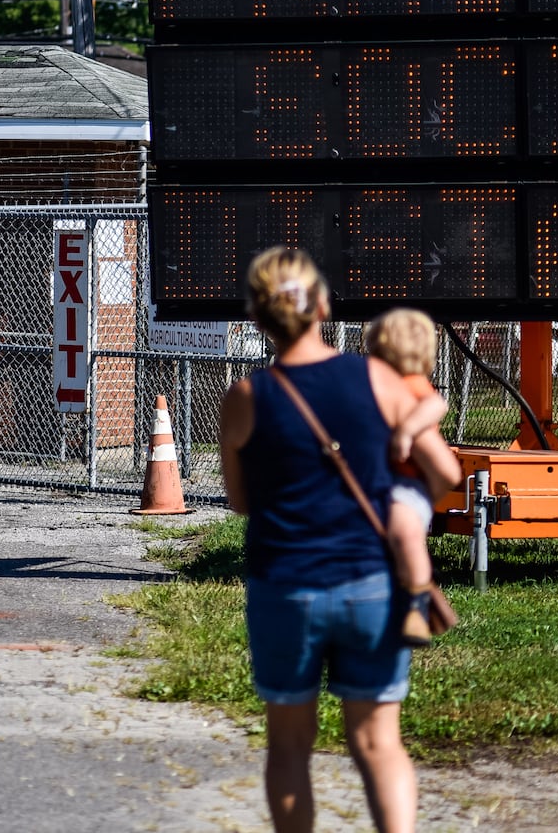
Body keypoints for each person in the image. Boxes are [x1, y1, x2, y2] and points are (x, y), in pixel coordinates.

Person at [219, 247, 462, 833]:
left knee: (289, 745)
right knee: (379, 744)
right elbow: (445, 471)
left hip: (285, 585)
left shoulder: (247, 397)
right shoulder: (377, 378)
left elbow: (241, 502)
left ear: (257, 316)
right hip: (372, 587)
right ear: (323, 305)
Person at [362, 308, 449, 646]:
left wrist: (407, 431)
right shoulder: (379, 384)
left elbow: (436, 406)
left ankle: (417, 605)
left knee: (405, 531)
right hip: (386, 480)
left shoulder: (411, 384)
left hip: (408, 482)